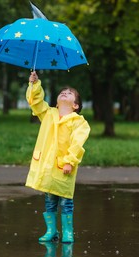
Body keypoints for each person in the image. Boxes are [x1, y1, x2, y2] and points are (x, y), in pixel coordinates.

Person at [25, 71, 90, 243]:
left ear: (76, 105)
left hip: (64, 166)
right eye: (63, 92)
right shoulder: (49, 114)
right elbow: (35, 102)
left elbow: (77, 143)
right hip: (47, 166)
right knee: (50, 199)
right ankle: (51, 230)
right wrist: (34, 84)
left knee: (66, 200)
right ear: (56, 101)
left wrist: (69, 161)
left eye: (69, 93)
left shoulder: (79, 122)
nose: (64, 92)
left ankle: (68, 231)